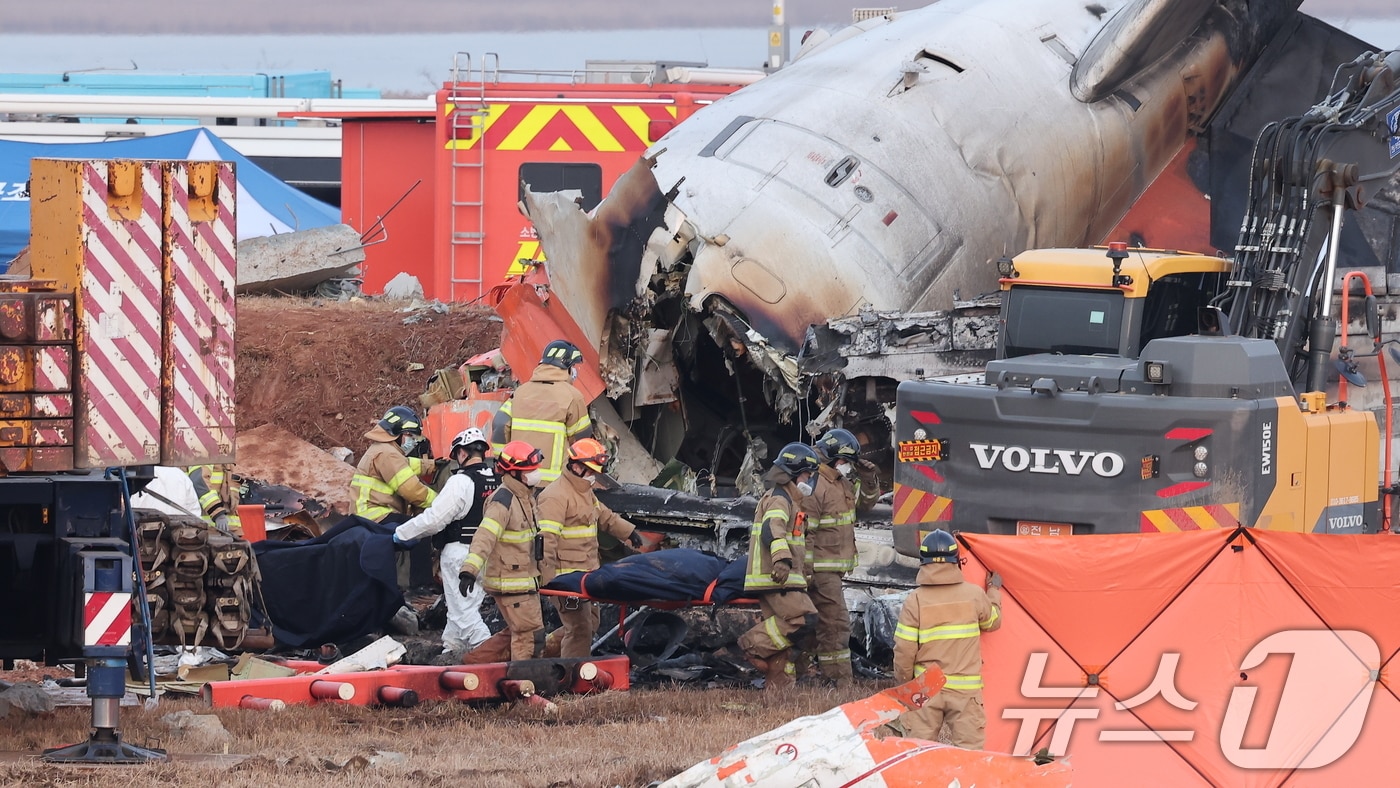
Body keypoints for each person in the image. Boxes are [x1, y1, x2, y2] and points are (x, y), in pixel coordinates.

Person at [390, 428, 499, 657]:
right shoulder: (495, 480)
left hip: (460, 554)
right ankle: (452, 652)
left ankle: (490, 659)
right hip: (488, 553)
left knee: (465, 614)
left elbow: (435, 519)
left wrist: (402, 534)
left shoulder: (461, 481)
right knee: (462, 607)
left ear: (461, 453)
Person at [892, 529, 1002, 749]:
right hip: (965, 692)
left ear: (922, 562)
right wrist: (994, 591)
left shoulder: (915, 601)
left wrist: (906, 687)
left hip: (925, 690)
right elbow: (993, 622)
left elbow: (904, 652)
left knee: (917, 754)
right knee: (969, 757)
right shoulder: (974, 595)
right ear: (956, 560)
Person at [537, 437, 643, 658]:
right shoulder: (555, 496)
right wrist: (548, 582)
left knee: (591, 623)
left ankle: (545, 654)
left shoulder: (584, 491)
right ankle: (573, 675)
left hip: (587, 574)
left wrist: (628, 532)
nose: (594, 476)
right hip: (565, 578)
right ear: (576, 466)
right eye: (590, 470)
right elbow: (546, 541)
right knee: (579, 629)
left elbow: (604, 516)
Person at [738, 442, 820, 691]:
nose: (810, 480)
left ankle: (779, 692)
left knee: (782, 640)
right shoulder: (779, 499)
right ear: (794, 473)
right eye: (807, 474)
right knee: (805, 620)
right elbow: (772, 531)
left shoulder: (791, 502)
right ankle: (748, 645)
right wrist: (782, 561)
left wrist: (804, 573)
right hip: (775, 576)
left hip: (785, 576)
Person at [801, 428, 880, 685]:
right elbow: (805, 532)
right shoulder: (815, 485)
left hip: (832, 569)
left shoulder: (839, 482)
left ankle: (808, 674)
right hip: (821, 570)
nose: (848, 467)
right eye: (847, 462)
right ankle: (839, 683)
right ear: (837, 458)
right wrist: (807, 570)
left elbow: (864, 505)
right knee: (836, 625)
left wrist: (868, 480)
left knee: (820, 626)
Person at [458, 440, 548, 661]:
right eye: (530, 470)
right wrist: (469, 570)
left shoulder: (525, 496)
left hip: (524, 579)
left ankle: (472, 665)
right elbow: (484, 536)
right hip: (512, 581)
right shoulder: (503, 501)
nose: (535, 474)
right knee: (529, 635)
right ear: (514, 472)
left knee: (516, 631)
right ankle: (525, 683)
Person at [352, 406, 438, 592]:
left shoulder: (383, 449)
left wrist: (431, 465)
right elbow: (412, 491)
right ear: (398, 432)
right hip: (376, 516)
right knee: (420, 529)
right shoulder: (387, 453)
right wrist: (440, 502)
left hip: (369, 514)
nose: (412, 442)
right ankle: (420, 585)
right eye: (411, 436)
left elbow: (405, 465)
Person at [491, 339, 592, 484]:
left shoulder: (521, 392)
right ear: (567, 367)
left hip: (520, 479)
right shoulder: (572, 397)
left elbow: (500, 425)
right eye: (574, 366)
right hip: (555, 485)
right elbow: (582, 441)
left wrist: (503, 461)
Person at [189, 464, 244, 533]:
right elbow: (199, 482)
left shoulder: (226, 457)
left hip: (228, 530)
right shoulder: (207, 454)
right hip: (207, 529)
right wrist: (218, 513)